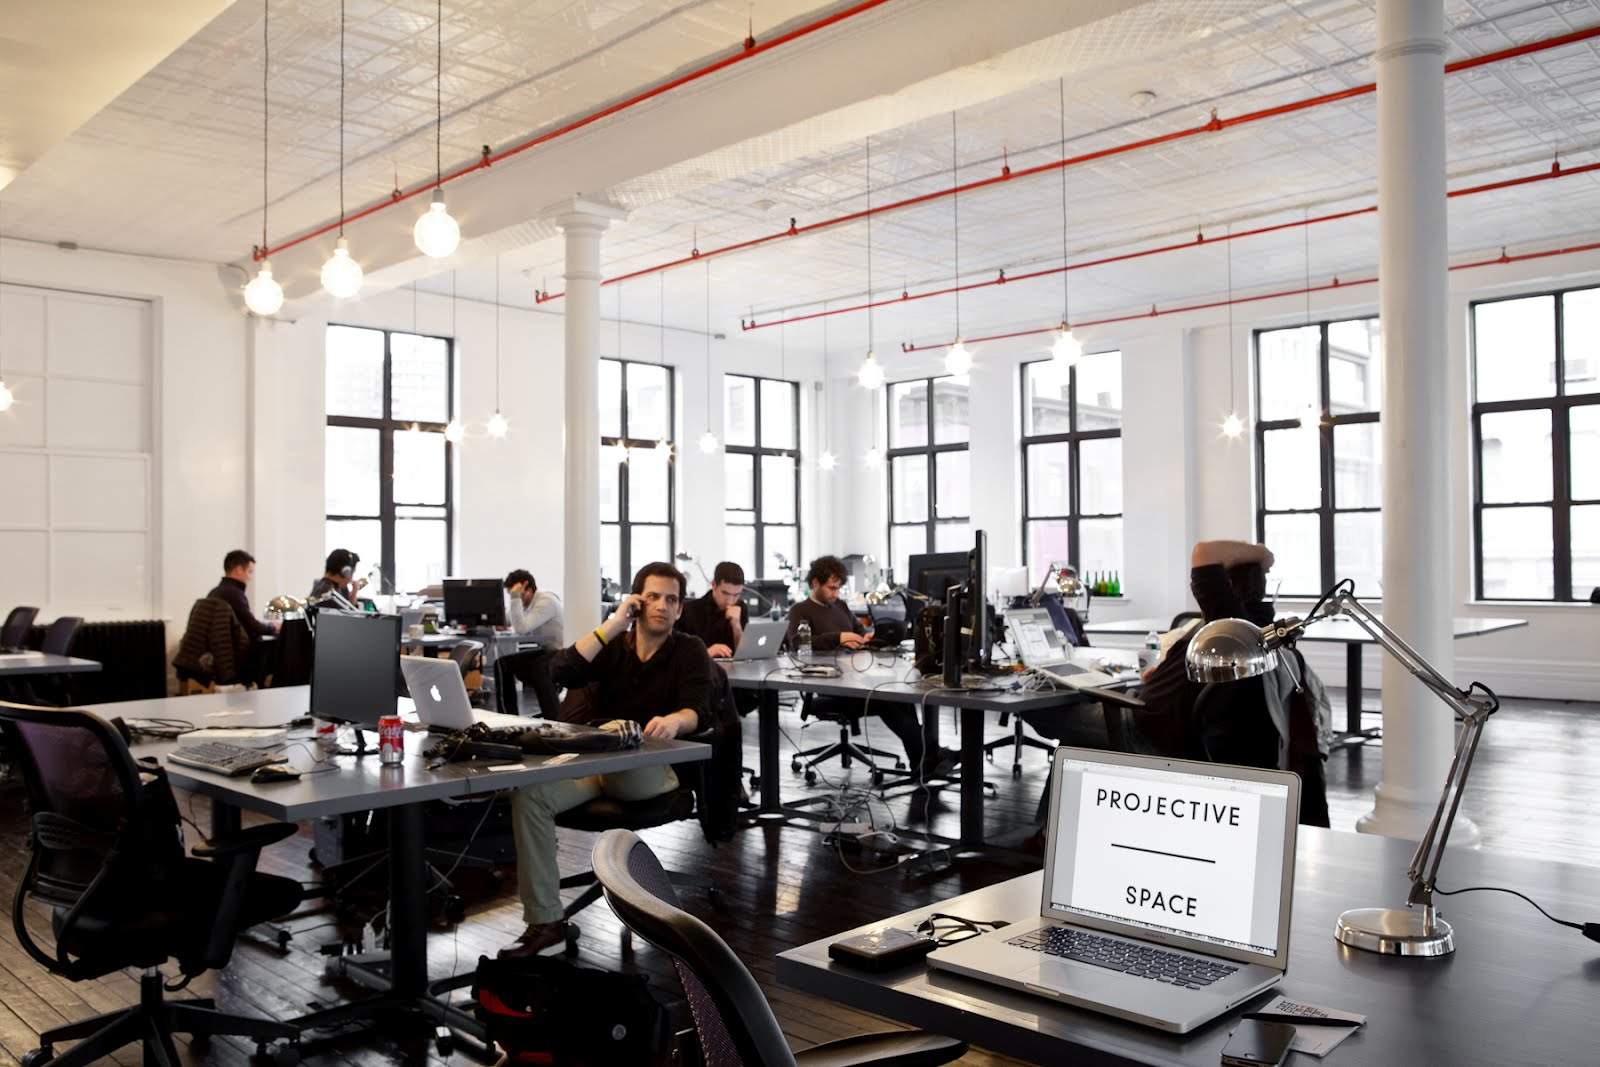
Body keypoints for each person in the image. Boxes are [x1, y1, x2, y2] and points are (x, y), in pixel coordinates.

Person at [500, 562, 709, 958]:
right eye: (652, 597)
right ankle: (546, 922)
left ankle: (618, 735)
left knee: (622, 734)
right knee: (530, 796)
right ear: (636, 602)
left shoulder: (689, 650)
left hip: (652, 769)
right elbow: (560, 670)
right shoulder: (614, 644)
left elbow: (698, 709)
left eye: (671, 600)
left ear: (680, 609)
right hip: (600, 766)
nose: (662, 605)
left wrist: (675, 721)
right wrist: (613, 624)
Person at [1138, 540, 1332, 826]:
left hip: (1146, 726)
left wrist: (1263, 554)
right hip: (1178, 729)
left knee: (1069, 719)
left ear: (1224, 584)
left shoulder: (1229, 624)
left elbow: (1204, 552)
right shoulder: (1251, 634)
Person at [785, 555, 955, 780]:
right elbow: (797, 643)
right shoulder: (800, 610)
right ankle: (931, 756)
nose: (835, 594)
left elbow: (860, 632)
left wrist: (868, 637)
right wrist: (838, 637)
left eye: (838, 588)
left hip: (856, 679)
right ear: (815, 583)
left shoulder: (840, 606)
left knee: (901, 696)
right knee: (885, 699)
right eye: (831, 588)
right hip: (830, 689)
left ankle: (923, 761)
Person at [495, 569, 564, 716]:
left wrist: (515, 598)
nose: (516, 598)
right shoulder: (527, 603)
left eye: (517, 594)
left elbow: (521, 628)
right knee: (501, 664)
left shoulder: (546, 602)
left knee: (539, 667)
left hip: (561, 652)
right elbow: (507, 619)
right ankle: (508, 717)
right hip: (546, 650)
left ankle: (555, 718)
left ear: (529, 589)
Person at [207, 549, 277, 684]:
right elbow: (253, 627)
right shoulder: (234, 594)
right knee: (274, 643)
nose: (250, 577)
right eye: (250, 572)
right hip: (235, 655)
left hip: (219, 652)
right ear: (239, 570)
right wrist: (273, 627)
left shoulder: (215, 592)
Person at [676, 561, 749, 658]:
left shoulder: (741, 607)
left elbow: (744, 654)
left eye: (736, 595)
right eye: (725, 593)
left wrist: (736, 626)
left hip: (733, 666)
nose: (730, 601)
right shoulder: (690, 610)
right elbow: (678, 653)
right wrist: (706, 652)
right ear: (714, 584)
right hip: (701, 665)